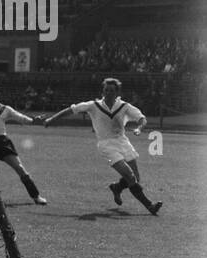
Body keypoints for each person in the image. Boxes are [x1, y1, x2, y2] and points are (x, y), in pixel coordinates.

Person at [43, 77, 161, 215]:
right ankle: (150, 206)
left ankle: (117, 188)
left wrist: (139, 128)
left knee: (135, 177)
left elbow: (142, 118)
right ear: (102, 91)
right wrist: (51, 119)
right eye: (106, 90)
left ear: (117, 92)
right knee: (129, 175)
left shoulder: (124, 106)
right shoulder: (94, 105)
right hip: (106, 145)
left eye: (111, 90)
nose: (108, 93)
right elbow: (71, 109)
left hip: (123, 141)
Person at [0, 82, 47, 205]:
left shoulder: (6, 109)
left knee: (20, 168)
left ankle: (36, 196)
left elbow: (21, 118)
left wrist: (33, 120)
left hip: (2, 142)